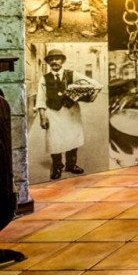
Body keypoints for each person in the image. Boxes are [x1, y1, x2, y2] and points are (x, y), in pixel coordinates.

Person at [35, 49, 102, 180]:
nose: (54, 61)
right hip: (53, 113)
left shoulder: (72, 74)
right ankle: (57, 167)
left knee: (73, 138)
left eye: (57, 58)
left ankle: (71, 165)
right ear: (48, 62)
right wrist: (42, 117)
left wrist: (85, 92)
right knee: (54, 140)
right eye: (51, 59)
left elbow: (95, 84)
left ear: (62, 61)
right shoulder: (44, 78)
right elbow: (40, 98)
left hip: (71, 113)